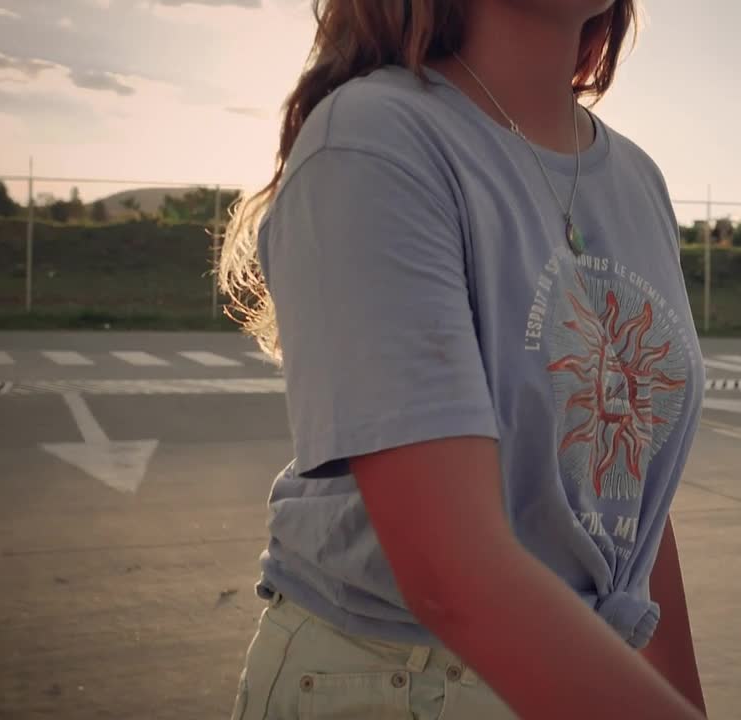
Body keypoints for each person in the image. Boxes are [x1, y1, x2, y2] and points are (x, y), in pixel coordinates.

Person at [219, 1, 707, 717]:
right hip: (395, 684)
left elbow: (622, 505)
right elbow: (455, 574)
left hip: (589, 672)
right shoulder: (373, 138)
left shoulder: (637, 178)